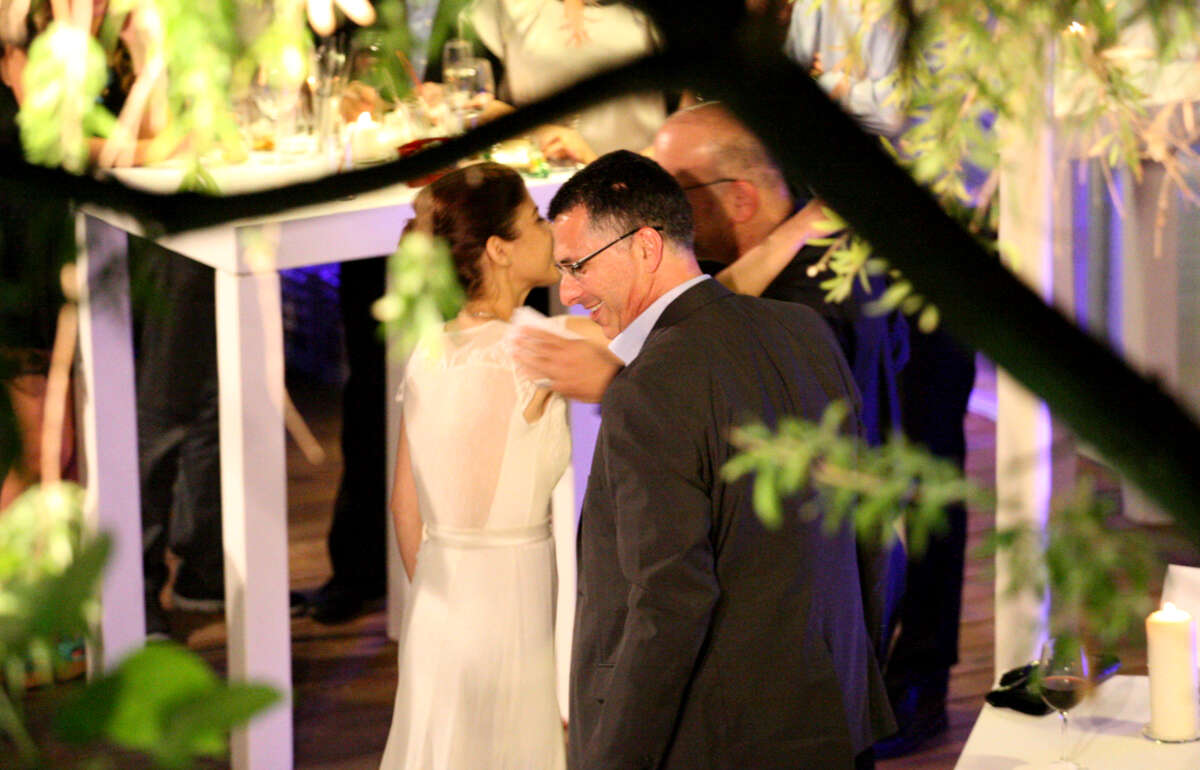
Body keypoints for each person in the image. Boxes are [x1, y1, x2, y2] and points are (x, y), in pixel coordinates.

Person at [553, 150, 893, 769]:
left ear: (645, 247)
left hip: (720, 745)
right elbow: (872, 533)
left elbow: (668, 603)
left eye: (577, 266)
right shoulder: (803, 330)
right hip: (833, 719)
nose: (568, 292)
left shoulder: (648, 385)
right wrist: (854, 675)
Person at [379, 163, 605, 768]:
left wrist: (438, 598)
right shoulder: (535, 346)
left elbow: (404, 507)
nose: (551, 231)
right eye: (537, 219)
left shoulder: (428, 350)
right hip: (509, 603)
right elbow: (685, 328)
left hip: (438, 601)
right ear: (500, 250)